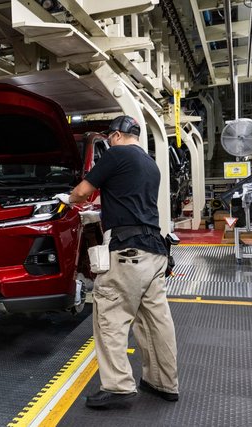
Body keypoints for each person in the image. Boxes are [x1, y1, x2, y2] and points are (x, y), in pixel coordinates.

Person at [55, 115, 179, 408]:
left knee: (110, 317)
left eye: (110, 137)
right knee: (156, 321)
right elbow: (129, 200)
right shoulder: (150, 164)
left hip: (126, 252)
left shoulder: (116, 155)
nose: (109, 141)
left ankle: (118, 387)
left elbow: (83, 192)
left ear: (118, 135)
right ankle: (163, 382)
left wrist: (67, 199)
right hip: (155, 252)